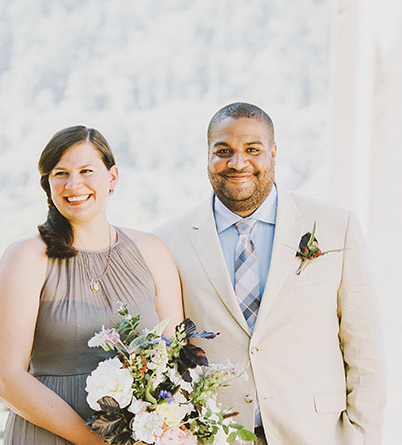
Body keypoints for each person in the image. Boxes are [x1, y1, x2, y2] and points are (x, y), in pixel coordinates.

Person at [154, 102, 387, 445]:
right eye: (223, 151)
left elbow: (364, 346)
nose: (237, 163)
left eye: (252, 149)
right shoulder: (167, 242)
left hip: (316, 434)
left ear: (273, 153)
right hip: (215, 435)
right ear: (206, 155)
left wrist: (363, 437)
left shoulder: (337, 226)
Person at [0, 126, 184, 445]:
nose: (73, 184)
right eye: (60, 173)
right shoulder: (26, 257)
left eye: (86, 171)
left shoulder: (152, 251)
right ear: (48, 184)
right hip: (47, 435)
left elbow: (177, 355)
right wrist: (98, 441)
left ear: (112, 177)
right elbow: (5, 377)